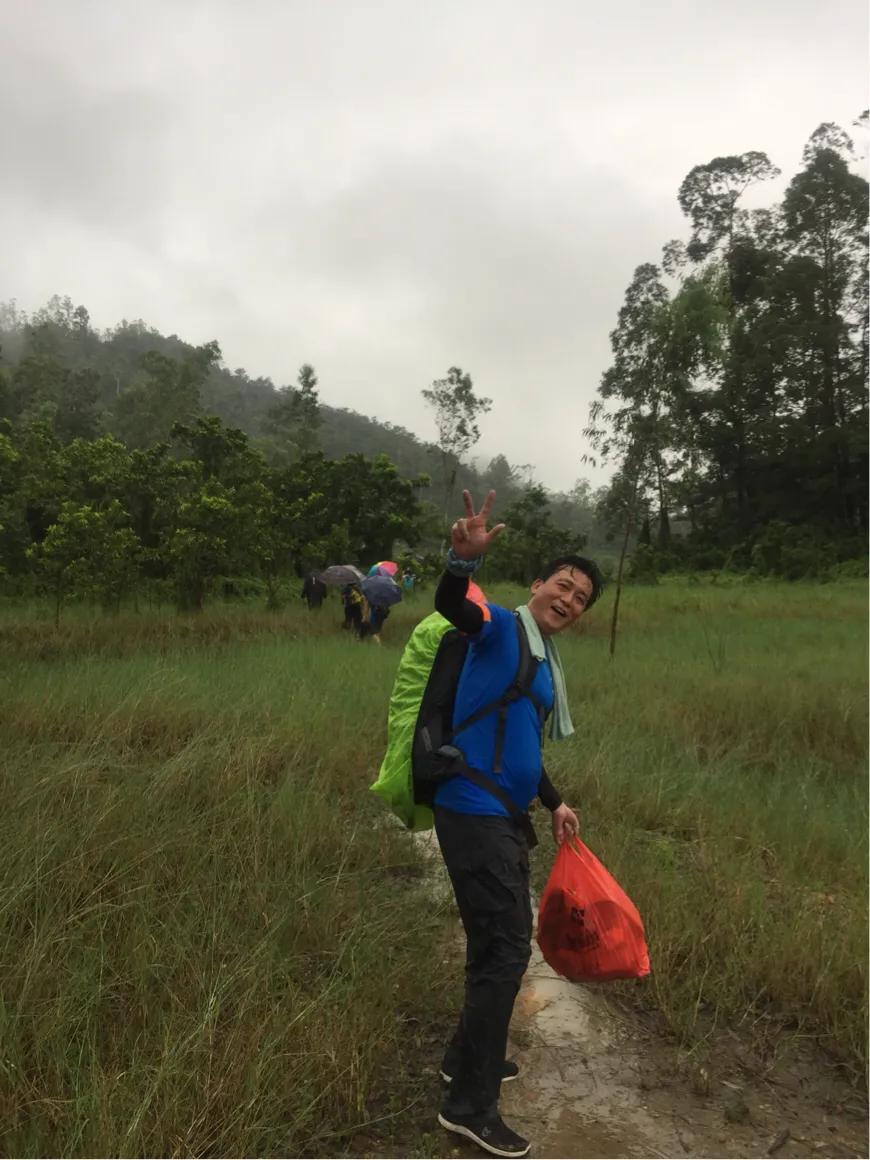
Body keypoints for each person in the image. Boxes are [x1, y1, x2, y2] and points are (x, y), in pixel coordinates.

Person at [432, 489, 603, 1159]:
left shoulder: (542, 666)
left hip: (503, 813)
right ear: (537, 586)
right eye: (563, 585)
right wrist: (460, 560)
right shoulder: (500, 625)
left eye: (581, 597)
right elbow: (454, 605)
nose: (569, 599)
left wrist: (554, 799)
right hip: (472, 809)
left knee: (491, 947)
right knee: (505, 951)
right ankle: (469, 1106)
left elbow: (522, 738)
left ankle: (463, 1061)